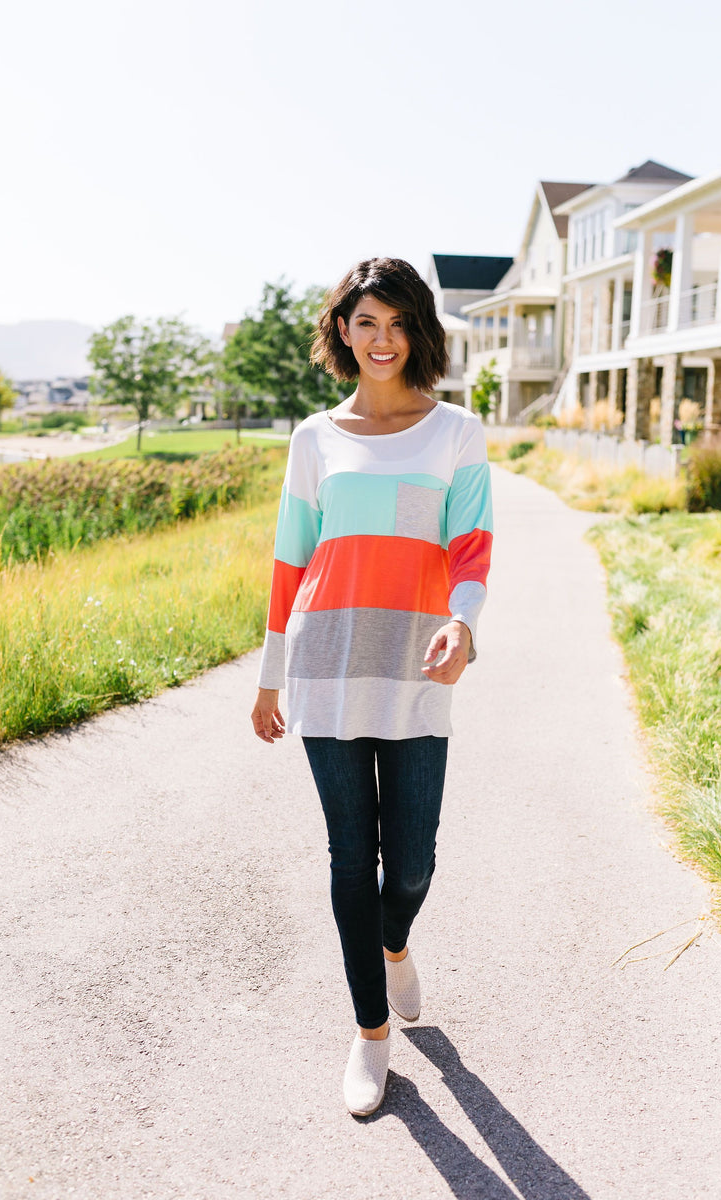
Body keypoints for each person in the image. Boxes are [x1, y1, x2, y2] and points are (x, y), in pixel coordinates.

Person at [251, 257, 492, 1117]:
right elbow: (290, 561)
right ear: (342, 332)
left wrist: (464, 621)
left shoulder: (457, 432)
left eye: (396, 323)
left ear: (417, 331)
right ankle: (370, 1034)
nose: (381, 339)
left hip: (417, 665)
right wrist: (270, 676)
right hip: (325, 662)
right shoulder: (314, 437)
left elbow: (470, 546)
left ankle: (395, 944)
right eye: (365, 322)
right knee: (351, 858)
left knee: (414, 859)